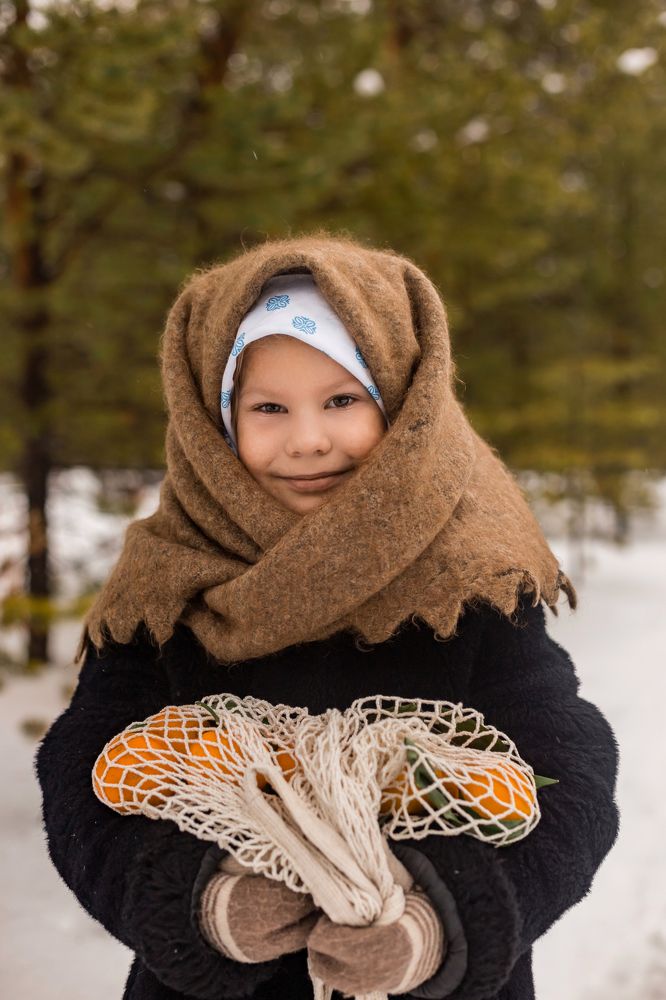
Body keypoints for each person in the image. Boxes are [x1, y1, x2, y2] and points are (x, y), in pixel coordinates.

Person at [35, 233, 620, 1000]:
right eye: (269, 408)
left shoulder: (468, 571)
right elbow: (85, 776)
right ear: (217, 423)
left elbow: (567, 778)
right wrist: (202, 903)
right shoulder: (168, 578)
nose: (308, 440)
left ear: (402, 404)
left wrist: (438, 922)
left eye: (343, 400)